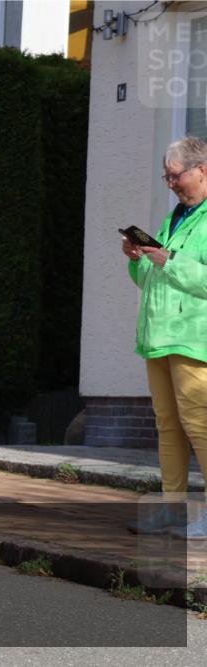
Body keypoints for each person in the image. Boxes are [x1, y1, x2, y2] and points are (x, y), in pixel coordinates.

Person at [123, 136, 207, 539]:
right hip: (158, 337)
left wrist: (168, 259)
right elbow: (152, 280)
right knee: (168, 426)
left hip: (193, 339)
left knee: (201, 425)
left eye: (175, 176)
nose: (171, 183)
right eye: (166, 177)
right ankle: (172, 508)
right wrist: (138, 259)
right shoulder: (174, 217)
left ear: (201, 169)